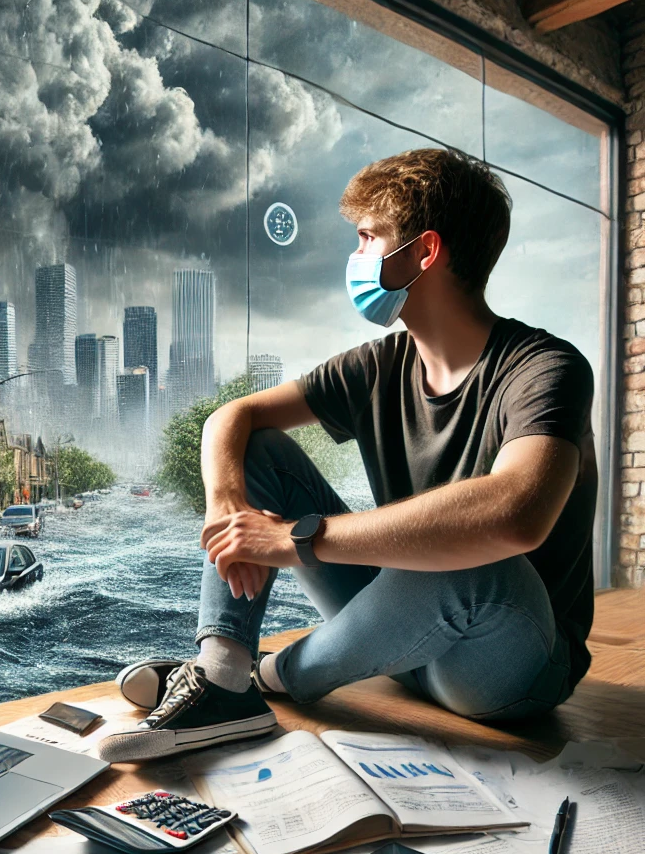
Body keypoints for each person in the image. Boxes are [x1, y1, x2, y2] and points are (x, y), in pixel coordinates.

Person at [100, 148, 597, 764]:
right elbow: (232, 418)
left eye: (367, 239)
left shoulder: (545, 368)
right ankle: (224, 672)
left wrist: (297, 539)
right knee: (259, 448)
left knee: (477, 565)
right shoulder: (379, 364)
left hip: (507, 662)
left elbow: (516, 515)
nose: (355, 259)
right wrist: (232, 511)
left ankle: (269, 677)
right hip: (400, 634)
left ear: (424, 253)